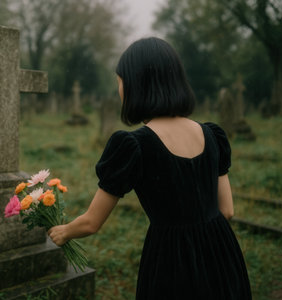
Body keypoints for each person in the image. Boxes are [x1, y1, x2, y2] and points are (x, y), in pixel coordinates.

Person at [48, 37, 252, 299]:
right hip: (223, 257)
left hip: (171, 264)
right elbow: (227, 210)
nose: (119, 88)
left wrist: (63, 231)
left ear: (136, 84)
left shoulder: (134, 145)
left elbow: (91, 223)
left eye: (120, 80)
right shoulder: (213, 135)